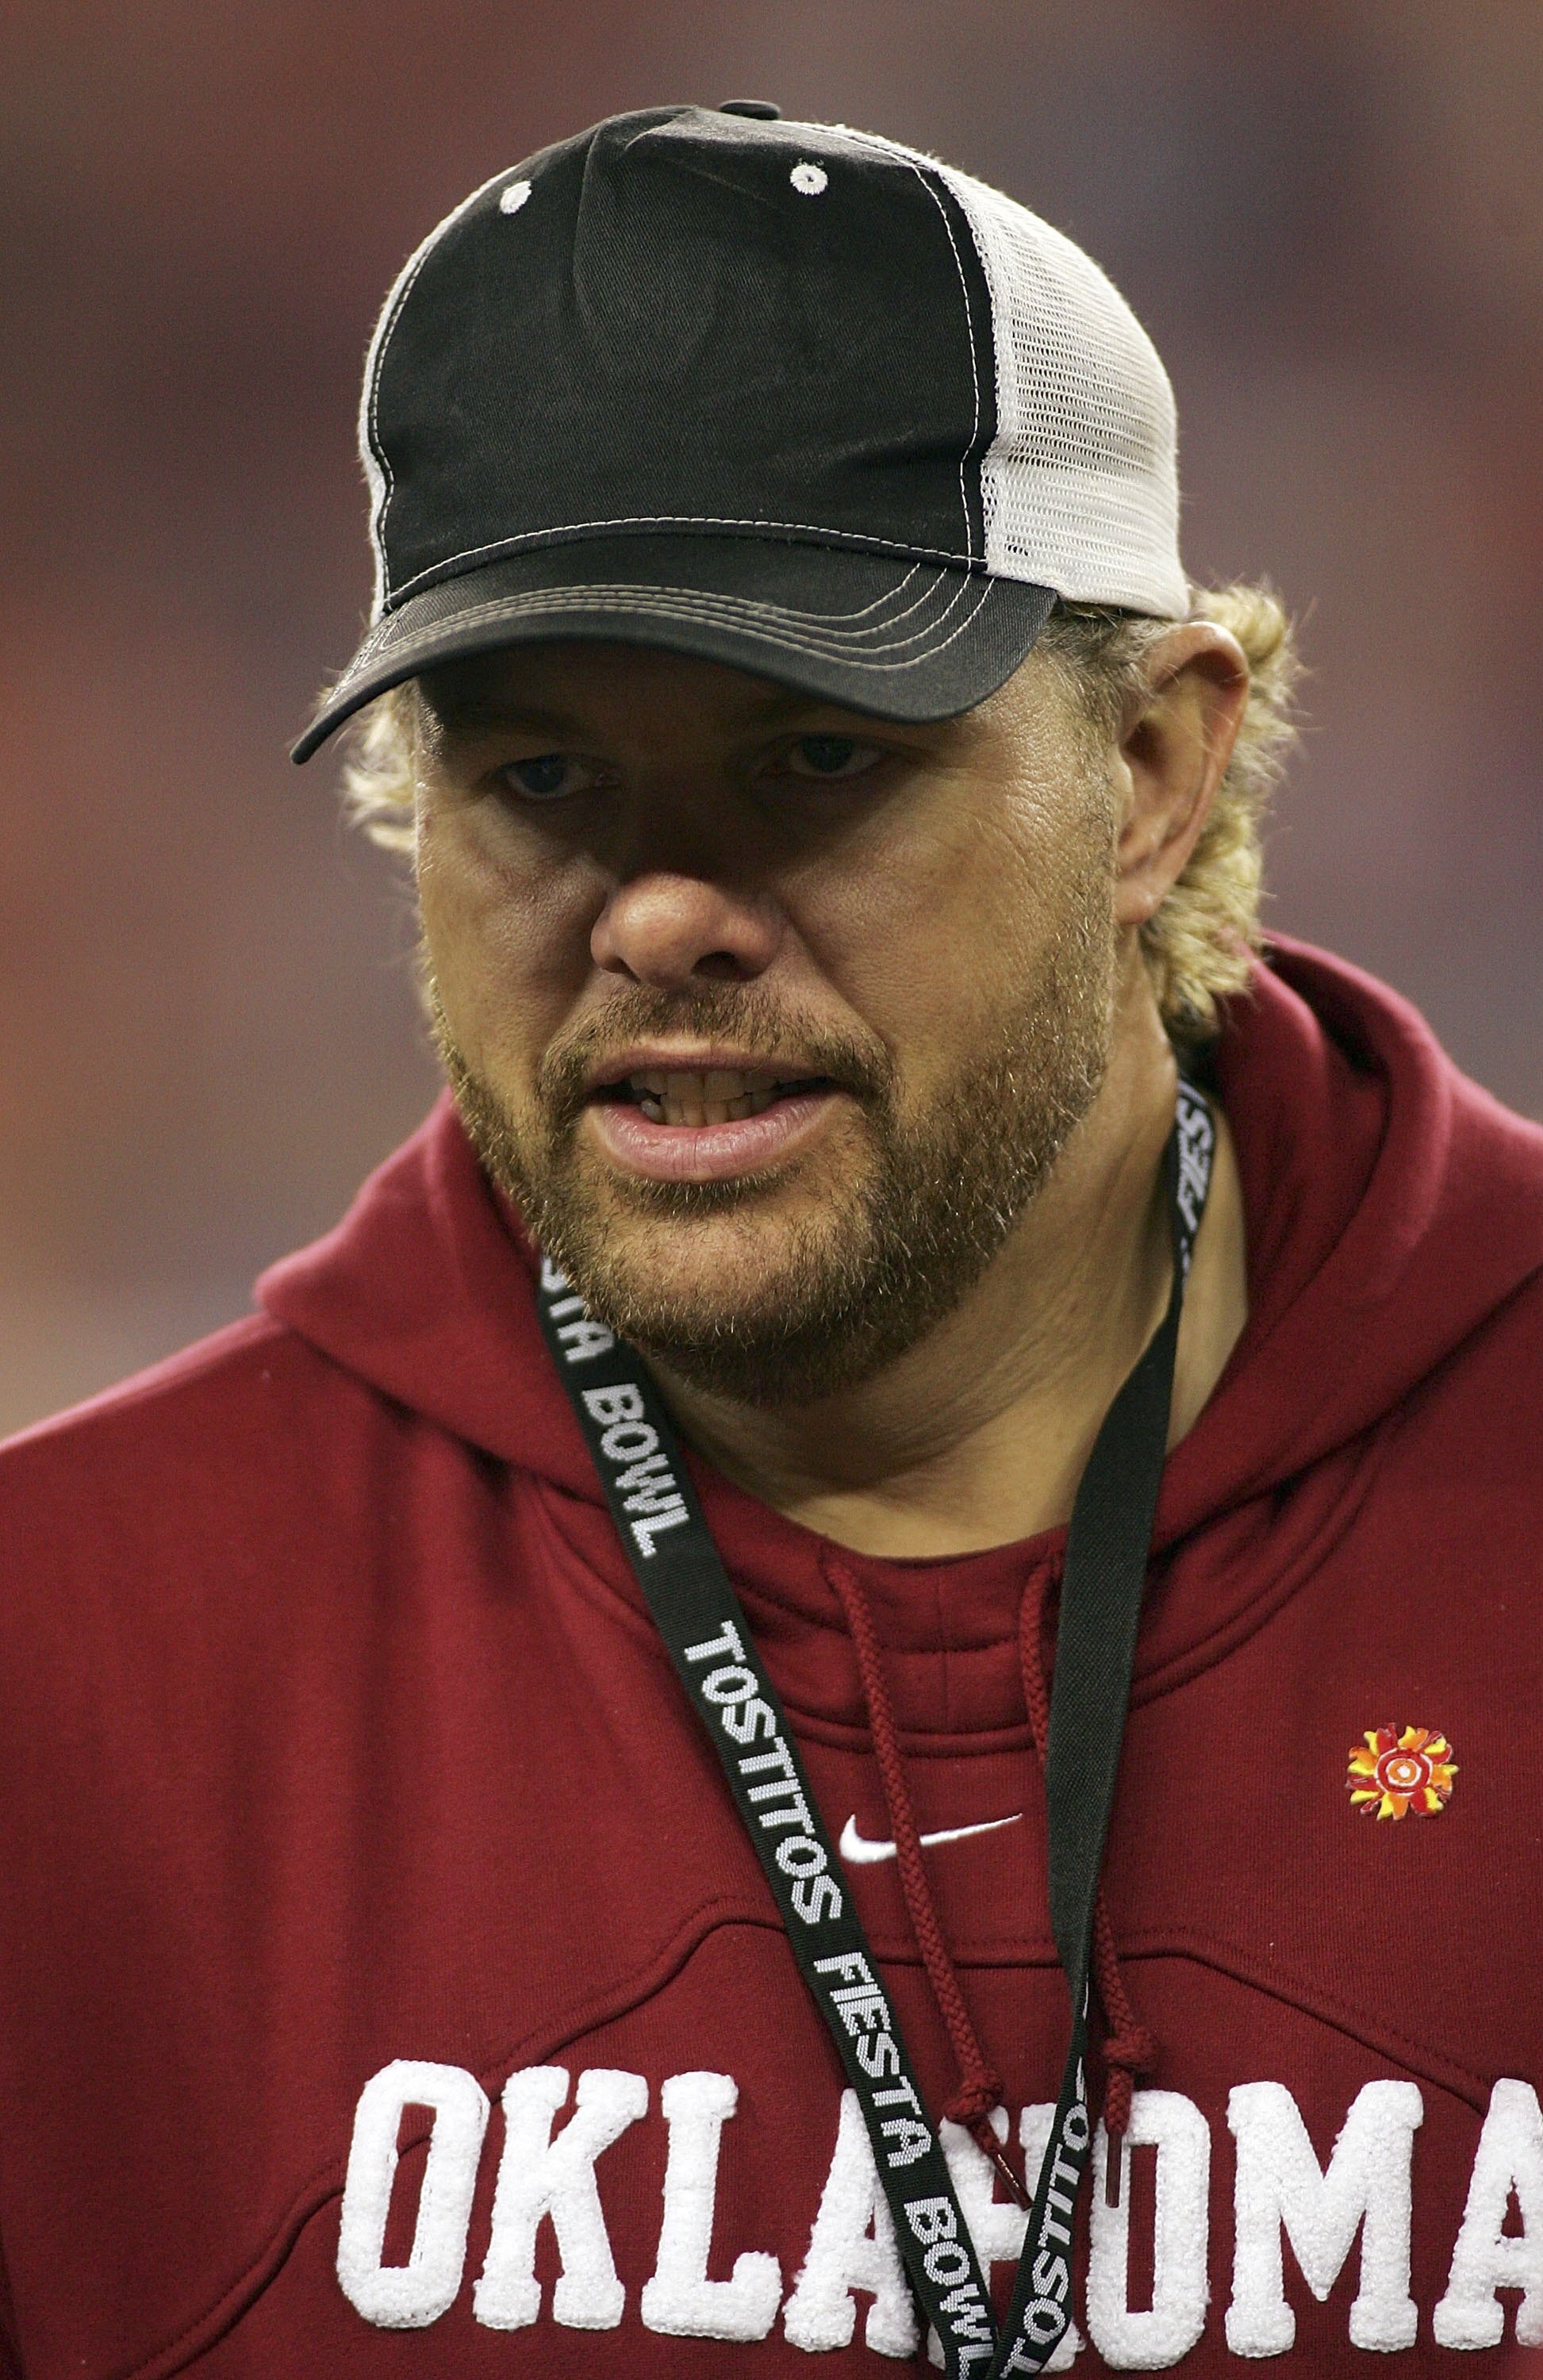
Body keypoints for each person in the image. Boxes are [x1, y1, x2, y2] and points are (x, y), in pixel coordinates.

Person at [0, 100, 1538, 2380]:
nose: (658, 917)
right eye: (537, 778)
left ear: (1148, 771)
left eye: (814, 759)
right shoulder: (69, 1681)